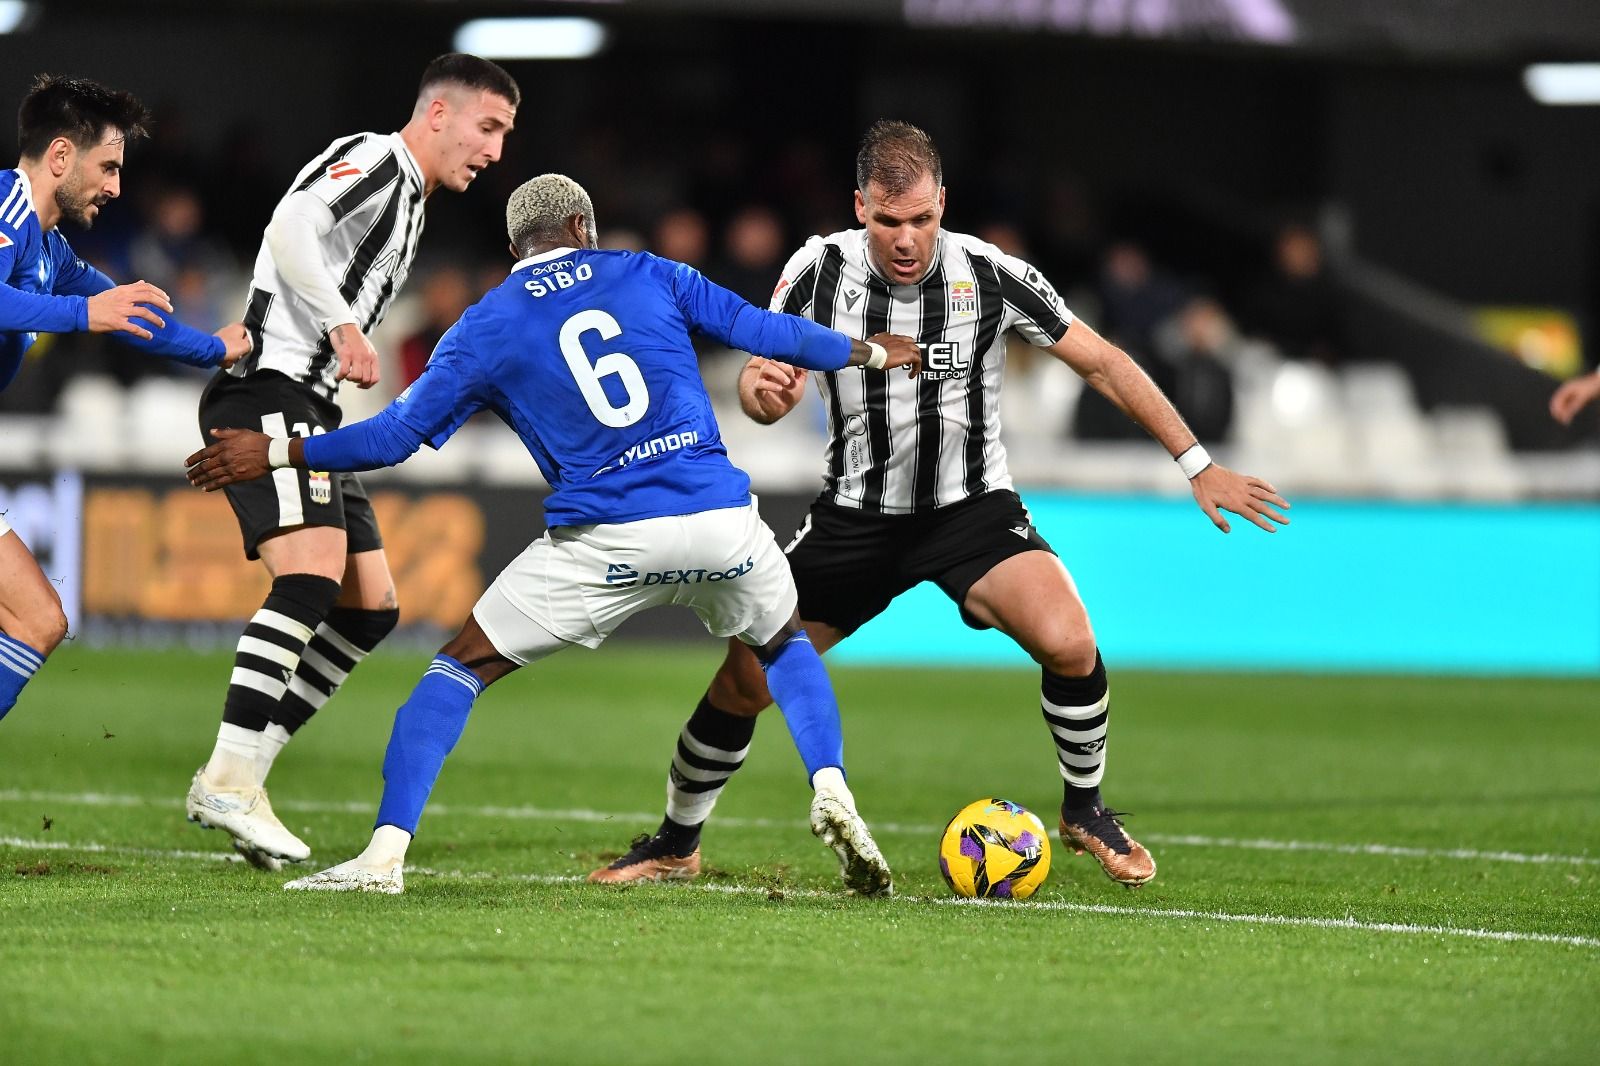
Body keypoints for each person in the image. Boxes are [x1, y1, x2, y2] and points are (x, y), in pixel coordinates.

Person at [590, 120, 1291, 889]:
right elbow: (764, 390)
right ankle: (675, 842)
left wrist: (1197, 463)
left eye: (921, 218)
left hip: (971, 513)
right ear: (860, 206)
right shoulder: (816, 272)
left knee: (1070, 640)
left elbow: (1103, 360)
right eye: (888, 220)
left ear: (942, 204)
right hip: (855, 516)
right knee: (744, 682)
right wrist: (764, 394)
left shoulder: (989, 273)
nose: (905, 238)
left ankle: (1084, 806)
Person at [183, 173, 923, 895]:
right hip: (719, 520)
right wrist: (872, 352)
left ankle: (383, 856)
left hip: (607, 539)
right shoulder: (647, 270)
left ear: (518, 249)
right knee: (784, 644)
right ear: (582, 230)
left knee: (458, 668)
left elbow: (394, 436)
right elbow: (768, 332)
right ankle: (831, 787)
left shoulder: (488, 320)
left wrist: (282, 450)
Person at [186, 54, 520, 869]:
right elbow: (290, 227)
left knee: (369, 608)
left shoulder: (411, 199)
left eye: (506, 135)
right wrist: (341, 326)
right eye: (489, 127)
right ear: (437, 115)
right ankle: (226, 777)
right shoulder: (379, 159)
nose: (496, 151)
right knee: (308, 579)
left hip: (311, 411)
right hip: (269, 391)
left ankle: (245, 778)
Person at [0, 74, 250, 725]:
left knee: (36, 619)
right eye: (107, 166)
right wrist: (86, 315)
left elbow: (134, 313)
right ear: (60, 156)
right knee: (36, 616)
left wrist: (216, 348)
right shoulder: (5, 207)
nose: (115, 185)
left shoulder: (50, 252)